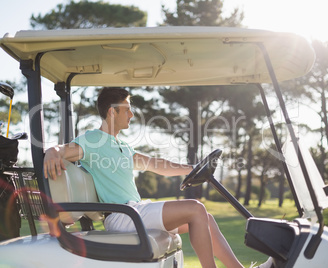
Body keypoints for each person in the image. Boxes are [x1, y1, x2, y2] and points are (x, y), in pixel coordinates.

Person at [44, 87, 272, 268]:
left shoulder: (122, 146)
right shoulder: (93, 139)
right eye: (127, 109)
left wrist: (193, 167)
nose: (132, 114)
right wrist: (52, 151)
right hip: (123, 216)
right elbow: (64, 150)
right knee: (195, 208)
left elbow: (157, 165)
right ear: (112, 111)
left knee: (207, 219)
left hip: (136, 211)